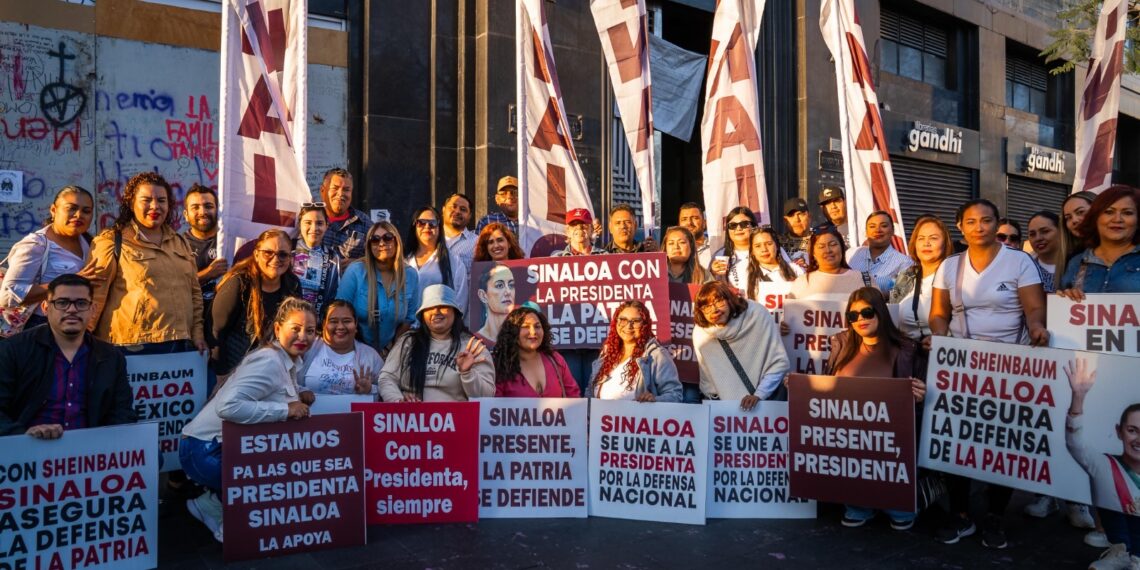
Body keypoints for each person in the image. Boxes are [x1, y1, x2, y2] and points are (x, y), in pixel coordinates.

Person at [929, 198, 1048, 549]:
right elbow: (938, 313)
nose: (979, 227)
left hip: (1009, 365)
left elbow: (1034, 307)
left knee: (1002, 442)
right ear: (960, 227)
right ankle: (961, 514)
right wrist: (939, 335)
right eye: (971, 221)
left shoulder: (1019, 261)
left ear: (997, 224)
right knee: (957, 439)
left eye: (986, 220)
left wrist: (1037, 327)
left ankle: (995, 515)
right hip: (961, 365)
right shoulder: (949, 266)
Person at [180, 297, 318, 542]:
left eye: (310, 331)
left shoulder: (286, 360)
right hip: (204, 450)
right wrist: (285, 410)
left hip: (212, 447)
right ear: (278, 328)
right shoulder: (269, 361)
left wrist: (301, 393)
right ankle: (232, 526)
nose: (303, 337)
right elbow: (228, 406)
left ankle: (212, 503)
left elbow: (273, 391)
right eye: (295, 329)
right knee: (273, 480)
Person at [827, 287, 927, 530]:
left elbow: (925, 396)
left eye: (867, 312)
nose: (860, 319)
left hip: (892, 438)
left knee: (900, 509)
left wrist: (921, 395)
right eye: (853, 315)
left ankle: (899, 507)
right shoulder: (841, 344)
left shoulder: (907, 348)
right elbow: (827, 386)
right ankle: (858, 506)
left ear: (880, 312)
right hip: (849, 435)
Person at [83, 172, 206, 352]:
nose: (155, 206)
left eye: (161, 200)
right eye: (146, 200)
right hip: (130, 345)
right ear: (131, 203)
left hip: (180, 343)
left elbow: (194, 292)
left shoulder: (180, 242)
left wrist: (198, 333)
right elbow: (95, 295)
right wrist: (83, 339)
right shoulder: (111, 241)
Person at [0, 274, 134, 437]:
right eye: (62, 303)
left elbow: (122, 412)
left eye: (81, 303)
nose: (72, 309)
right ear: (46, 308)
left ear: (93, 309)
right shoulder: (12, 350)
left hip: (91, 448)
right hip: (29, 447)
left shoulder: (111, 356)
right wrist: (23, 435)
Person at [1065, 357, 1140, 570]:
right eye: (1132, 430)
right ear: (1119, 431)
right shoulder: (1105, 466)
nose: (1138, 440)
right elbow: (1075, 444)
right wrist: (1078, 397)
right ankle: (1122, 552)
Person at [378, 284, 494, 402]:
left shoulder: (472, 347)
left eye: (443, 306)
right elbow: (386, 378)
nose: (436, 312)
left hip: (457, 413)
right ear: (423, 315)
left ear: (455, 312)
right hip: (413, 413)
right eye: (429, 308)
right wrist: (399, 401)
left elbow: (487, 396)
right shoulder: (408, 342)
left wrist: (467, 373)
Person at [2, 185, 94, 331]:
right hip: (41, 326)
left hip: (77, 326)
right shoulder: (36, 244)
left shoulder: (90, 244)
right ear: (53, 210)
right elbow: (8, 296)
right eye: (71, 208)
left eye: (86, 211)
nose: (78, 215)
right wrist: (68, 283)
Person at [212, 229, 302, 376]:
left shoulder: (294, 285)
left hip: (273, 371)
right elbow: (216, 331)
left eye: (283, 254)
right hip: (234, 371)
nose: (275, 259)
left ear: (290, 258)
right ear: (256, 254)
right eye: (268, 253)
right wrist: (220, 375)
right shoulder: (238, 284)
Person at [692, 281, 789, 407]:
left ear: (729, 299)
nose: (714, 310)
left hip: (767, 402)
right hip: (725, 408)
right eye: (706, 307)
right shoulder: (700, 333)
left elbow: (778, 362)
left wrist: (760, 394)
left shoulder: (756, 315)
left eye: (719, 301)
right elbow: (708, 380)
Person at [336, 221, 420, 356]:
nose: (381, 243)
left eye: (387, 237)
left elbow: (409, 319)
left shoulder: (410, 275)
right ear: (369, 246)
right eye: (375, 239)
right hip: (355, 350)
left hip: (391, 352)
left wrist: (391, 352)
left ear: (397, 241)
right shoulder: (356, 271)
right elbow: (339, 312)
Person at [588, 300, 682, 402]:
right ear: (616, 322)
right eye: (623, 319)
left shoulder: (656, 355)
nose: (629, 326)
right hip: (601, 413)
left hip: (638, 413)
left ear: (645, 325)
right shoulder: (607, 353)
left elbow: (675, 395)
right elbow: (589, 393)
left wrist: (654, 400)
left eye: (636, 321)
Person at [1060, 185, 1140, 298]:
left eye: (1127, 213)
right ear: (1095, 218)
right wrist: (1065, 297)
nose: (1117, 219)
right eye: (1109, 212)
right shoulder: (1076, 263)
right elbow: (1064, 305)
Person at [297, 300, 384, 395]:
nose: (340, 327)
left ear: (355, 325)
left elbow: (385, 389)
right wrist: (301, 391)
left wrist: (370, 389)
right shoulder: (307, 347)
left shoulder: (370, 355)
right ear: (324, 324)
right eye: (333, 321)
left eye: (347, 321)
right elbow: (287, 381)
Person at [889, 215, 952, 345]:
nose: (926, 243)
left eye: (933, 238)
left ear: (945, 243)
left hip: (938, 349)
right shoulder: (906, 275)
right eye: (921, 238)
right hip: (905, 350)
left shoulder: (954, 277)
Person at [492, 306, 580, 397]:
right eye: (525, 326)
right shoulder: (501, 365)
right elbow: (493, 403)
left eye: (537, 326)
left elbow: (574, 396)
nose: (533, 332)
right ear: (512, 332)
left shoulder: (556, 359)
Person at [406, 205, 468, 306]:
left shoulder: (454, 262)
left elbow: (460, 300)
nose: (427, 227)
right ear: (414, 226)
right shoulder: (403, 258)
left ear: (439, 228)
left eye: (432, 223)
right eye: (421, 222)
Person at [181, 184, 227, 322]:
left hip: (226, 322)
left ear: (218, 210)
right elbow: (173, 285)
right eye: (195, 207)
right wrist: (208, 274)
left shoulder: (230, 241)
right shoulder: (177, 245)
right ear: (186, 215)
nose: (202, 212)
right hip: (191, 321)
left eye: (208, 206)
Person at [787, 226, 867, 301]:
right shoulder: (802, 283)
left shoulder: (863, 279)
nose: (828, 250)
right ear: (813, 253)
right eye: (821, 247)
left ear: (842, 248)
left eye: (833, 245)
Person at [292, 203, 341, 318]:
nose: (314, 228)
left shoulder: (333, 257)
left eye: (319, 223)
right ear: (299, 224)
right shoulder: (289, 250)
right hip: (290, 321)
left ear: (326, 226)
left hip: (318, 323)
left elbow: (335, 295)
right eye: (308, 222)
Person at [846, 210, 913, 294]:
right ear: (866, 232)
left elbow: (901, 295)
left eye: (884, 226)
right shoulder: (852, 254)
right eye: (872, 226)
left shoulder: (904, 262)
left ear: (893, 231)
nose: (877, 230)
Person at [318, 167, 371, 263]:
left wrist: (358, 263)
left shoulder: (364, 223)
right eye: (335, 188)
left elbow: (380, 258)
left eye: (346, 190)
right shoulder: (309, 220)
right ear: (322, 190)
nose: (340, 194)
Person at [1057, 191, 1099, 294]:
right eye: (1068, 218)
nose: (1074, 220)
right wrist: (1065, 296)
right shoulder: (1073, 261)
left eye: (1080, 212)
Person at [746, 226, 803, 300]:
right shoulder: (747, 275)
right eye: (758, 246)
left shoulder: (795, 269)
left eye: (769, 244)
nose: (764, 249)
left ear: (777, 246)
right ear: (752, 251)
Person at [709, 206, 757, 291]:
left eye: (744, 224)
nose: (738, 228)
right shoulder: (720, 255)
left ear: (753, 226)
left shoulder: (766, 250)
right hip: (731, 299)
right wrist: (712, 273)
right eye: (733, 225)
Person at [473, 264, 515, 345]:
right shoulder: (474, 342)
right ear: (483, 295)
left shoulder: (521, 338)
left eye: (511, 285)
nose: (508, 292)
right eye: (499, 285)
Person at [1027, 211, 1062, 293]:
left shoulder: (1078, 265)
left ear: (1061, 232)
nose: (1038, 238)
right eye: (1032, 234)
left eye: (1045, 231)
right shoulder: (1025, 268)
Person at [442, 193, 477, 272]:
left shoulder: (477, 243)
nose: (457, 211)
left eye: (463, 209)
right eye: (453, 207)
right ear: (443, 210)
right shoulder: (429, 238)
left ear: (470, 216)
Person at [779, 197, 813, 267]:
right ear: (785, 220)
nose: (797, 220)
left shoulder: (819, 240)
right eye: (791, 216)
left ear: (809, 217)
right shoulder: (777, 243)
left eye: (800, 214)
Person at [678, 202, 712, 268]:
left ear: (704, 223)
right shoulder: (671, 250)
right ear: (679, 225)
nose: (689, 222)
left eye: (695, 218)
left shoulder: (715, 248)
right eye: (684, 219)